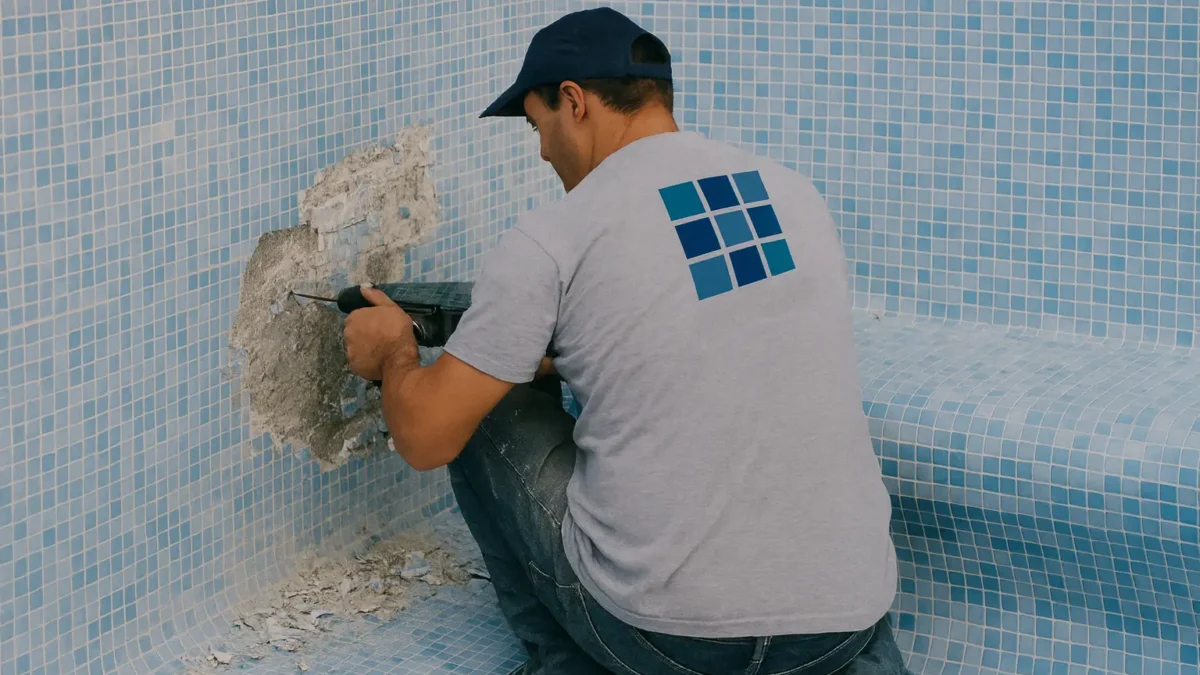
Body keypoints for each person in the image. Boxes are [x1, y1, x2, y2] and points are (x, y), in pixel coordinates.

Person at [341, 7, 913, 675]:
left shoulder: (556, 236)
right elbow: (696, 330)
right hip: (840, 629)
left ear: (575, 102)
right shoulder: (795, 196)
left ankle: (564, 661)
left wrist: (394, 354)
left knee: (478, 399)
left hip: (666, 642)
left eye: (537, 123)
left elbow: (427, 434)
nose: (542, 150)